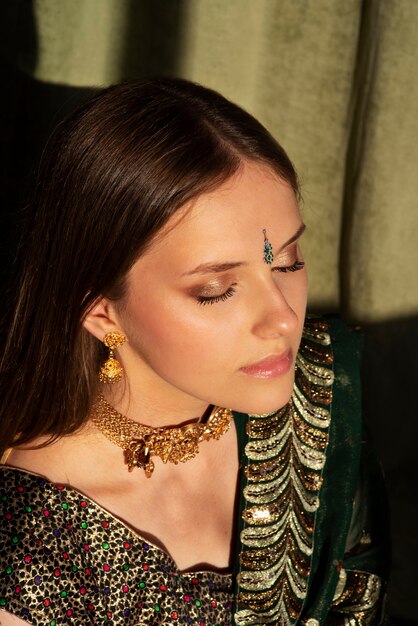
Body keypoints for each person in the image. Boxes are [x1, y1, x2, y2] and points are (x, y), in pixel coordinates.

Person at [0, 79, 387, 626]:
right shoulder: (31, 551)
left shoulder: (318, 399)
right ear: (100, 310)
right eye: (217, 290)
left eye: (288, 261)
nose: (283, 317)